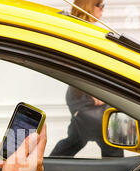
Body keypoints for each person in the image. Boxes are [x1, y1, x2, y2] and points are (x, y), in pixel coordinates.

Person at [49, 0, 123, 158]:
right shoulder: (78, 29)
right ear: (88, 5)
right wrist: (93, 91)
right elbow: (73, 65)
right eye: (100, 5)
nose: (103, 9)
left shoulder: (86, 28)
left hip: (86, 93)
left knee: (76, 139)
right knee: (111, 143)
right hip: (84, 95)